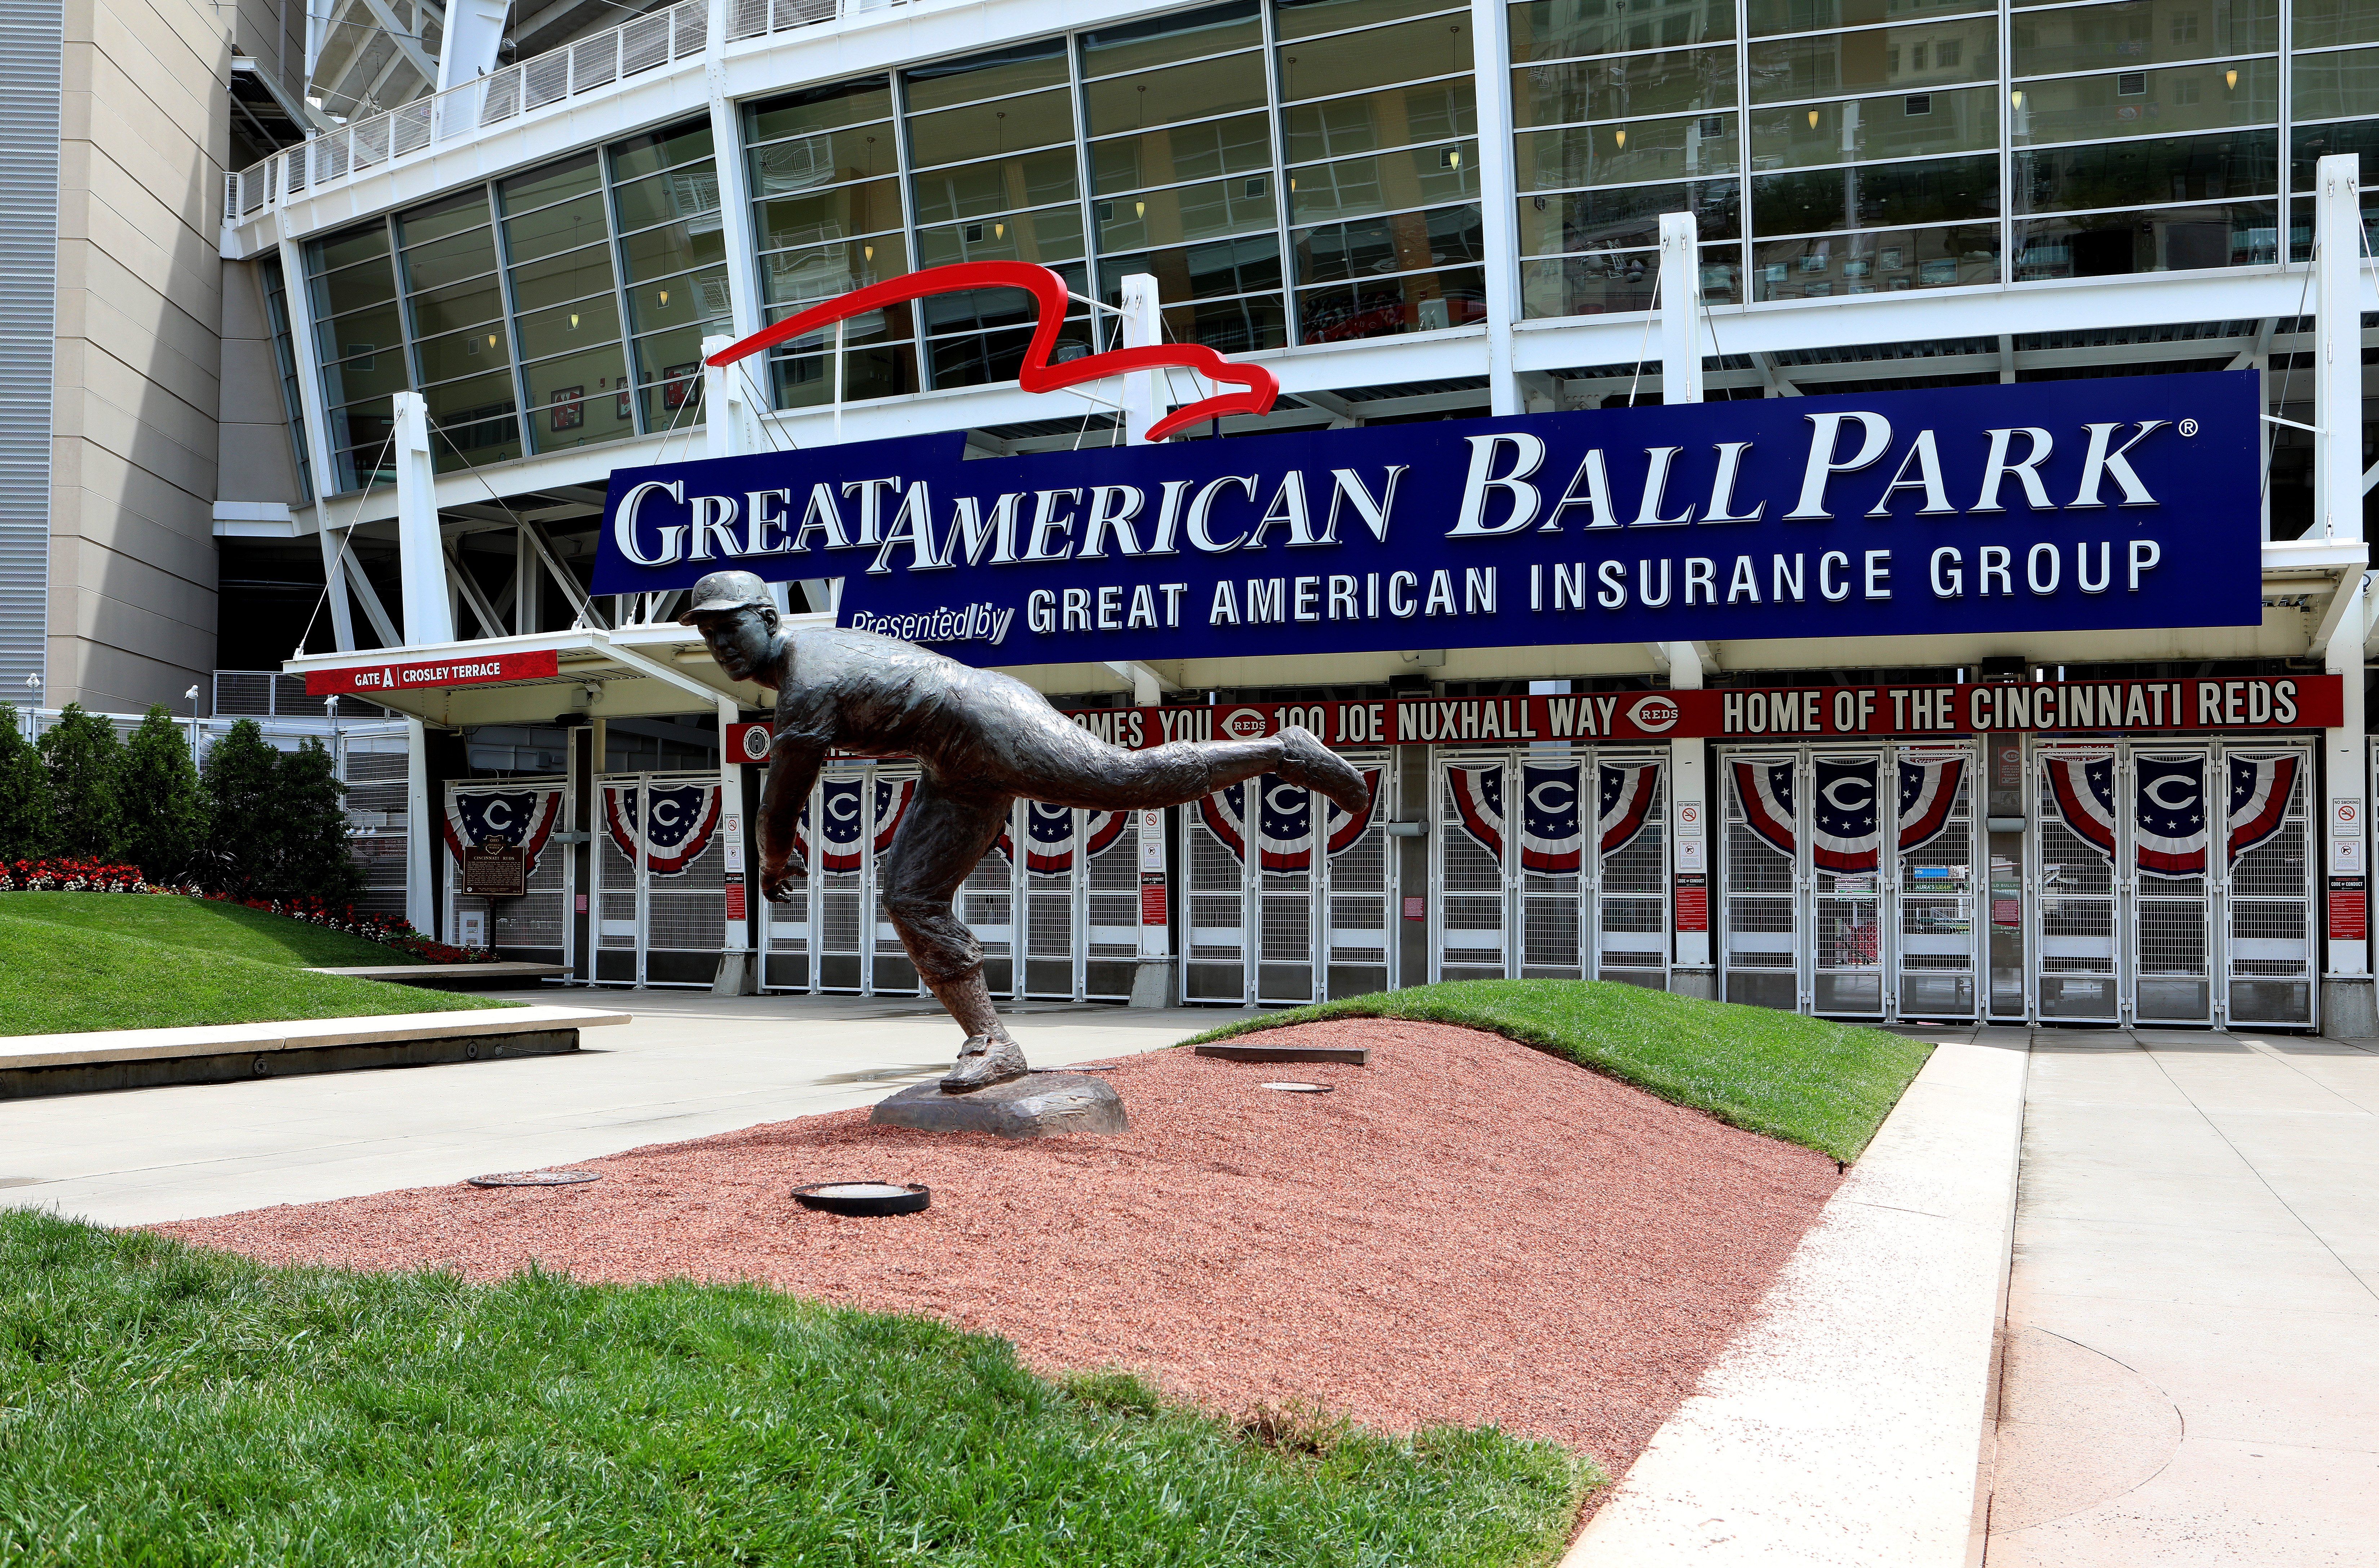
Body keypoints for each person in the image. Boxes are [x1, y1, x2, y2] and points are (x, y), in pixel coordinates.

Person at [680, 570, 1371, 1091]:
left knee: (1124, 781)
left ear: (767, 617)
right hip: (953, 758)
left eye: (730, 626)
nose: (719, 643)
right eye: (708, 634)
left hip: (985, 720)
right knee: (912, 896)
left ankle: (1280, 749)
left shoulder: (806, 678)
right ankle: (992, 1042)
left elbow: (782, 797)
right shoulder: (802, 664)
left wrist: (773, 862)